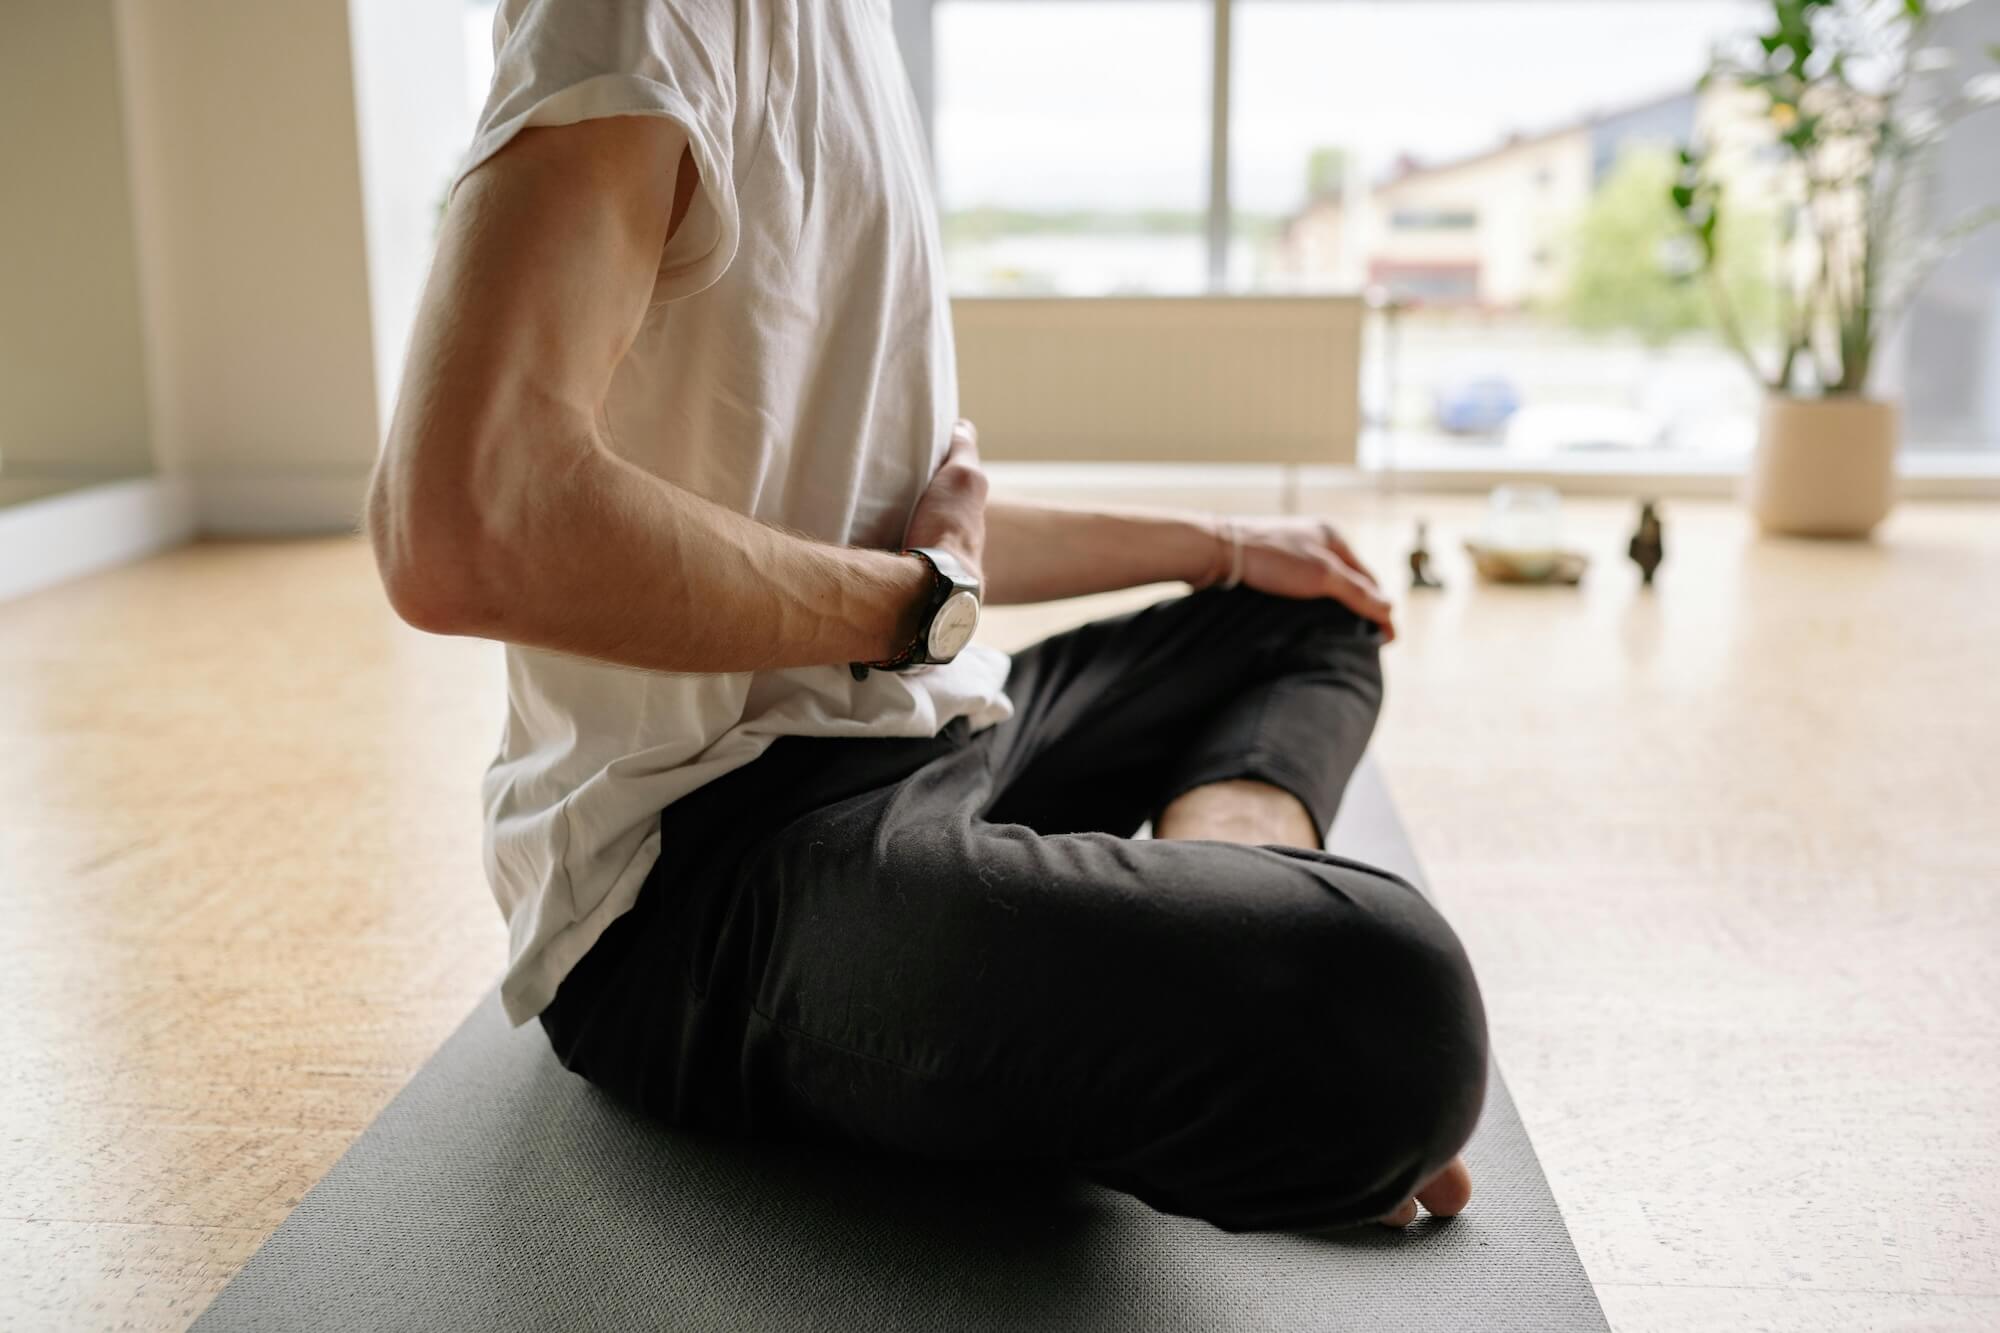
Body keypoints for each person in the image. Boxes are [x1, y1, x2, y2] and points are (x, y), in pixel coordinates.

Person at [366, 0, 1486, 1233]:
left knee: (1304, 611)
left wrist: (1221, 545)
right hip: (697, 872)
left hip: (927, 731)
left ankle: (1209, 897)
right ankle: (1214, 988)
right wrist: (919, 605)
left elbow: (907, 545)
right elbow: (466, 524)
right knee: (1396, 1005)